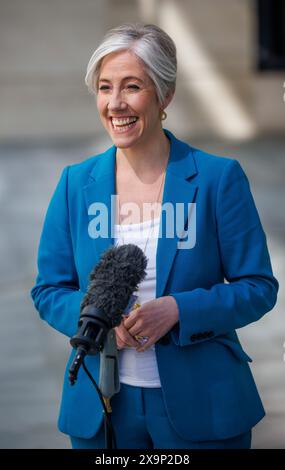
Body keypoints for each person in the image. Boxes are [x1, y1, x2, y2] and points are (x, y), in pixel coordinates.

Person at [30, 23, 278, 449]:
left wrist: (179, 310)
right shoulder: (75, 184)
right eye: (105, 88)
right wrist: (96, 317)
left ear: (165, 95)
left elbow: (258, 288)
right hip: (102, 409)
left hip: (205, 408)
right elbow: (49, 289)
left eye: (132, 87)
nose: (115, 103)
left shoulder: (219, 179)